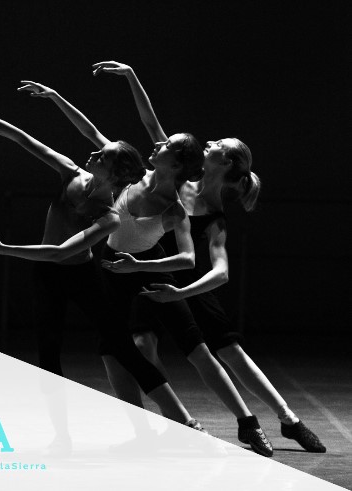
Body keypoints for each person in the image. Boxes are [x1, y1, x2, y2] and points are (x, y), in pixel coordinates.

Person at [0, 84, 210, 454]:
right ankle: (61, 437)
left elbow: (61, 252)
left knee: (123, 347)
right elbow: (21, 138)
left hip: (81, 276)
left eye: (102, 156)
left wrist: (2, 249)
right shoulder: (70, 172)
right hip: (47, 277)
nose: (92, 153)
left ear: (113, 174)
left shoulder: (109, 216)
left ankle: (186, 424)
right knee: (48, 354)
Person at [93, 60, 325, 454]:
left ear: (227, 162)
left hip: (188, 281)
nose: (210, 141)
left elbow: (220, 272)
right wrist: (131, 76)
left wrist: (184, 292)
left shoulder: (215, 216)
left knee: (226, 350)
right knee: (141, 342)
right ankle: (171, 423)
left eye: (218, 144)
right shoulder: (178, 179)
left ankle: (287, 420)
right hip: (154, 270)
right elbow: (151, 123)